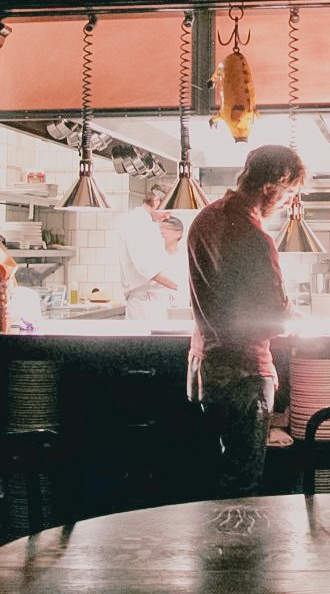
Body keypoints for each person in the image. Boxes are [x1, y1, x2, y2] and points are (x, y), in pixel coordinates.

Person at [186, 144, 306, 496]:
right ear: (272, 185)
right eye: (289, 194)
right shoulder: (255, 237)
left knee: (215, 477)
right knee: (243, 483)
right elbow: (274, 319)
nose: (287, 203)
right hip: (245, 374)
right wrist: (292, 314)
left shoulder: (204, 220)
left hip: (205, 369)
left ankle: (216, 547)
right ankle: (240, 550)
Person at [118, 183, 178, 320]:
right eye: (168, 210)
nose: (168, 216)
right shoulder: (136, 222)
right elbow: (149, 268)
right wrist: (181, 287)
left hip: (152, 301)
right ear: (156, 201)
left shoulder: (147, 223)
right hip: (145, 304)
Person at [159, 215, 188, 311]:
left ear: (178, 233)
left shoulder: (186, 257)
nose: (162, 232)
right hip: (159, 306)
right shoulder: (156, 257)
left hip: (182, 306)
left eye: (166, 228)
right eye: (161, 228)